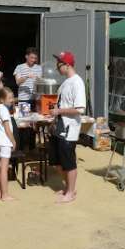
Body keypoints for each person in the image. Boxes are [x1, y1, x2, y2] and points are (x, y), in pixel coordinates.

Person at [49, 51, 86, 204]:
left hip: (69, 128)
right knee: (57, 161)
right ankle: (68, 188)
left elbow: (80, 109)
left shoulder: (77, 82)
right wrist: (54, 119)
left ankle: (70, 192)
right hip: (59, 126)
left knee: (69, 162)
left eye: (59, 64)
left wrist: (59, 111)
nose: (57, 67)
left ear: (67, 65)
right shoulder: (66, 82)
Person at [0, 87, 17, 202]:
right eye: (10, 98)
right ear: (2, 99)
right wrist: (13, 141)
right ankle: (5, 195)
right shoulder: (4, 110)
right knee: (4, 168)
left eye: (12, 97)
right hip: (4, 141)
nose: (12, 100)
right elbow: (7, 129)